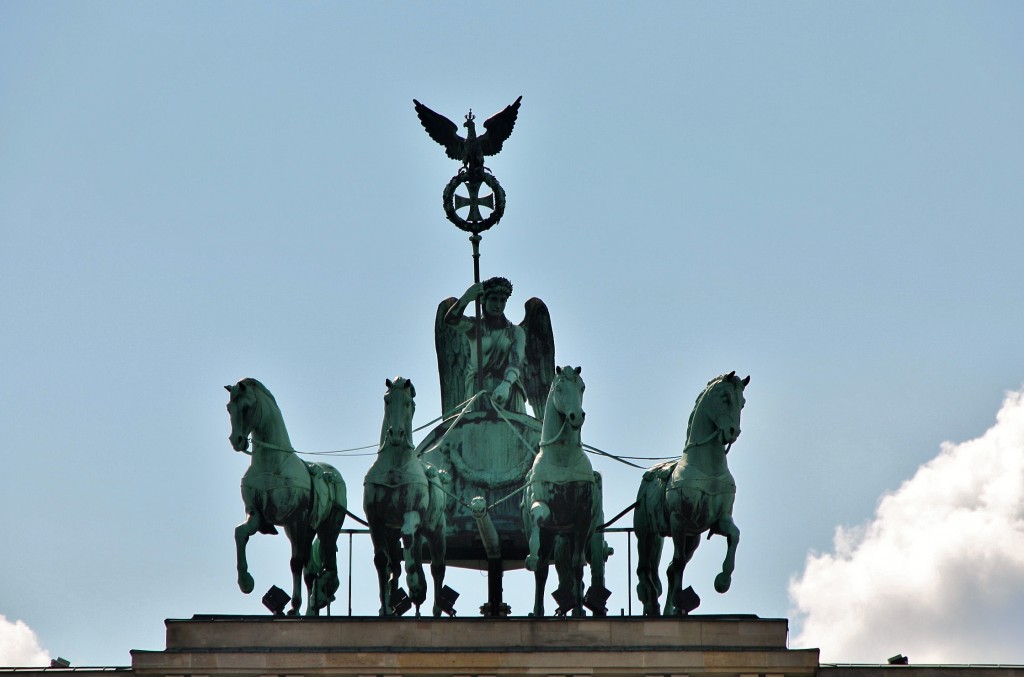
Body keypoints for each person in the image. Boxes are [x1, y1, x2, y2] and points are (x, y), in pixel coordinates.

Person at [445, 276, 527, 413]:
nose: (498, 305)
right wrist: (466, 298)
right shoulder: (474, 327)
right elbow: (451, 320)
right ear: (483, 300)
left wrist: (506, 385)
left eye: (503, 300)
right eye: (494, 299)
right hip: (479, 391)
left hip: (508, 391)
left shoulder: (515, 332)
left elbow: (515, 362)